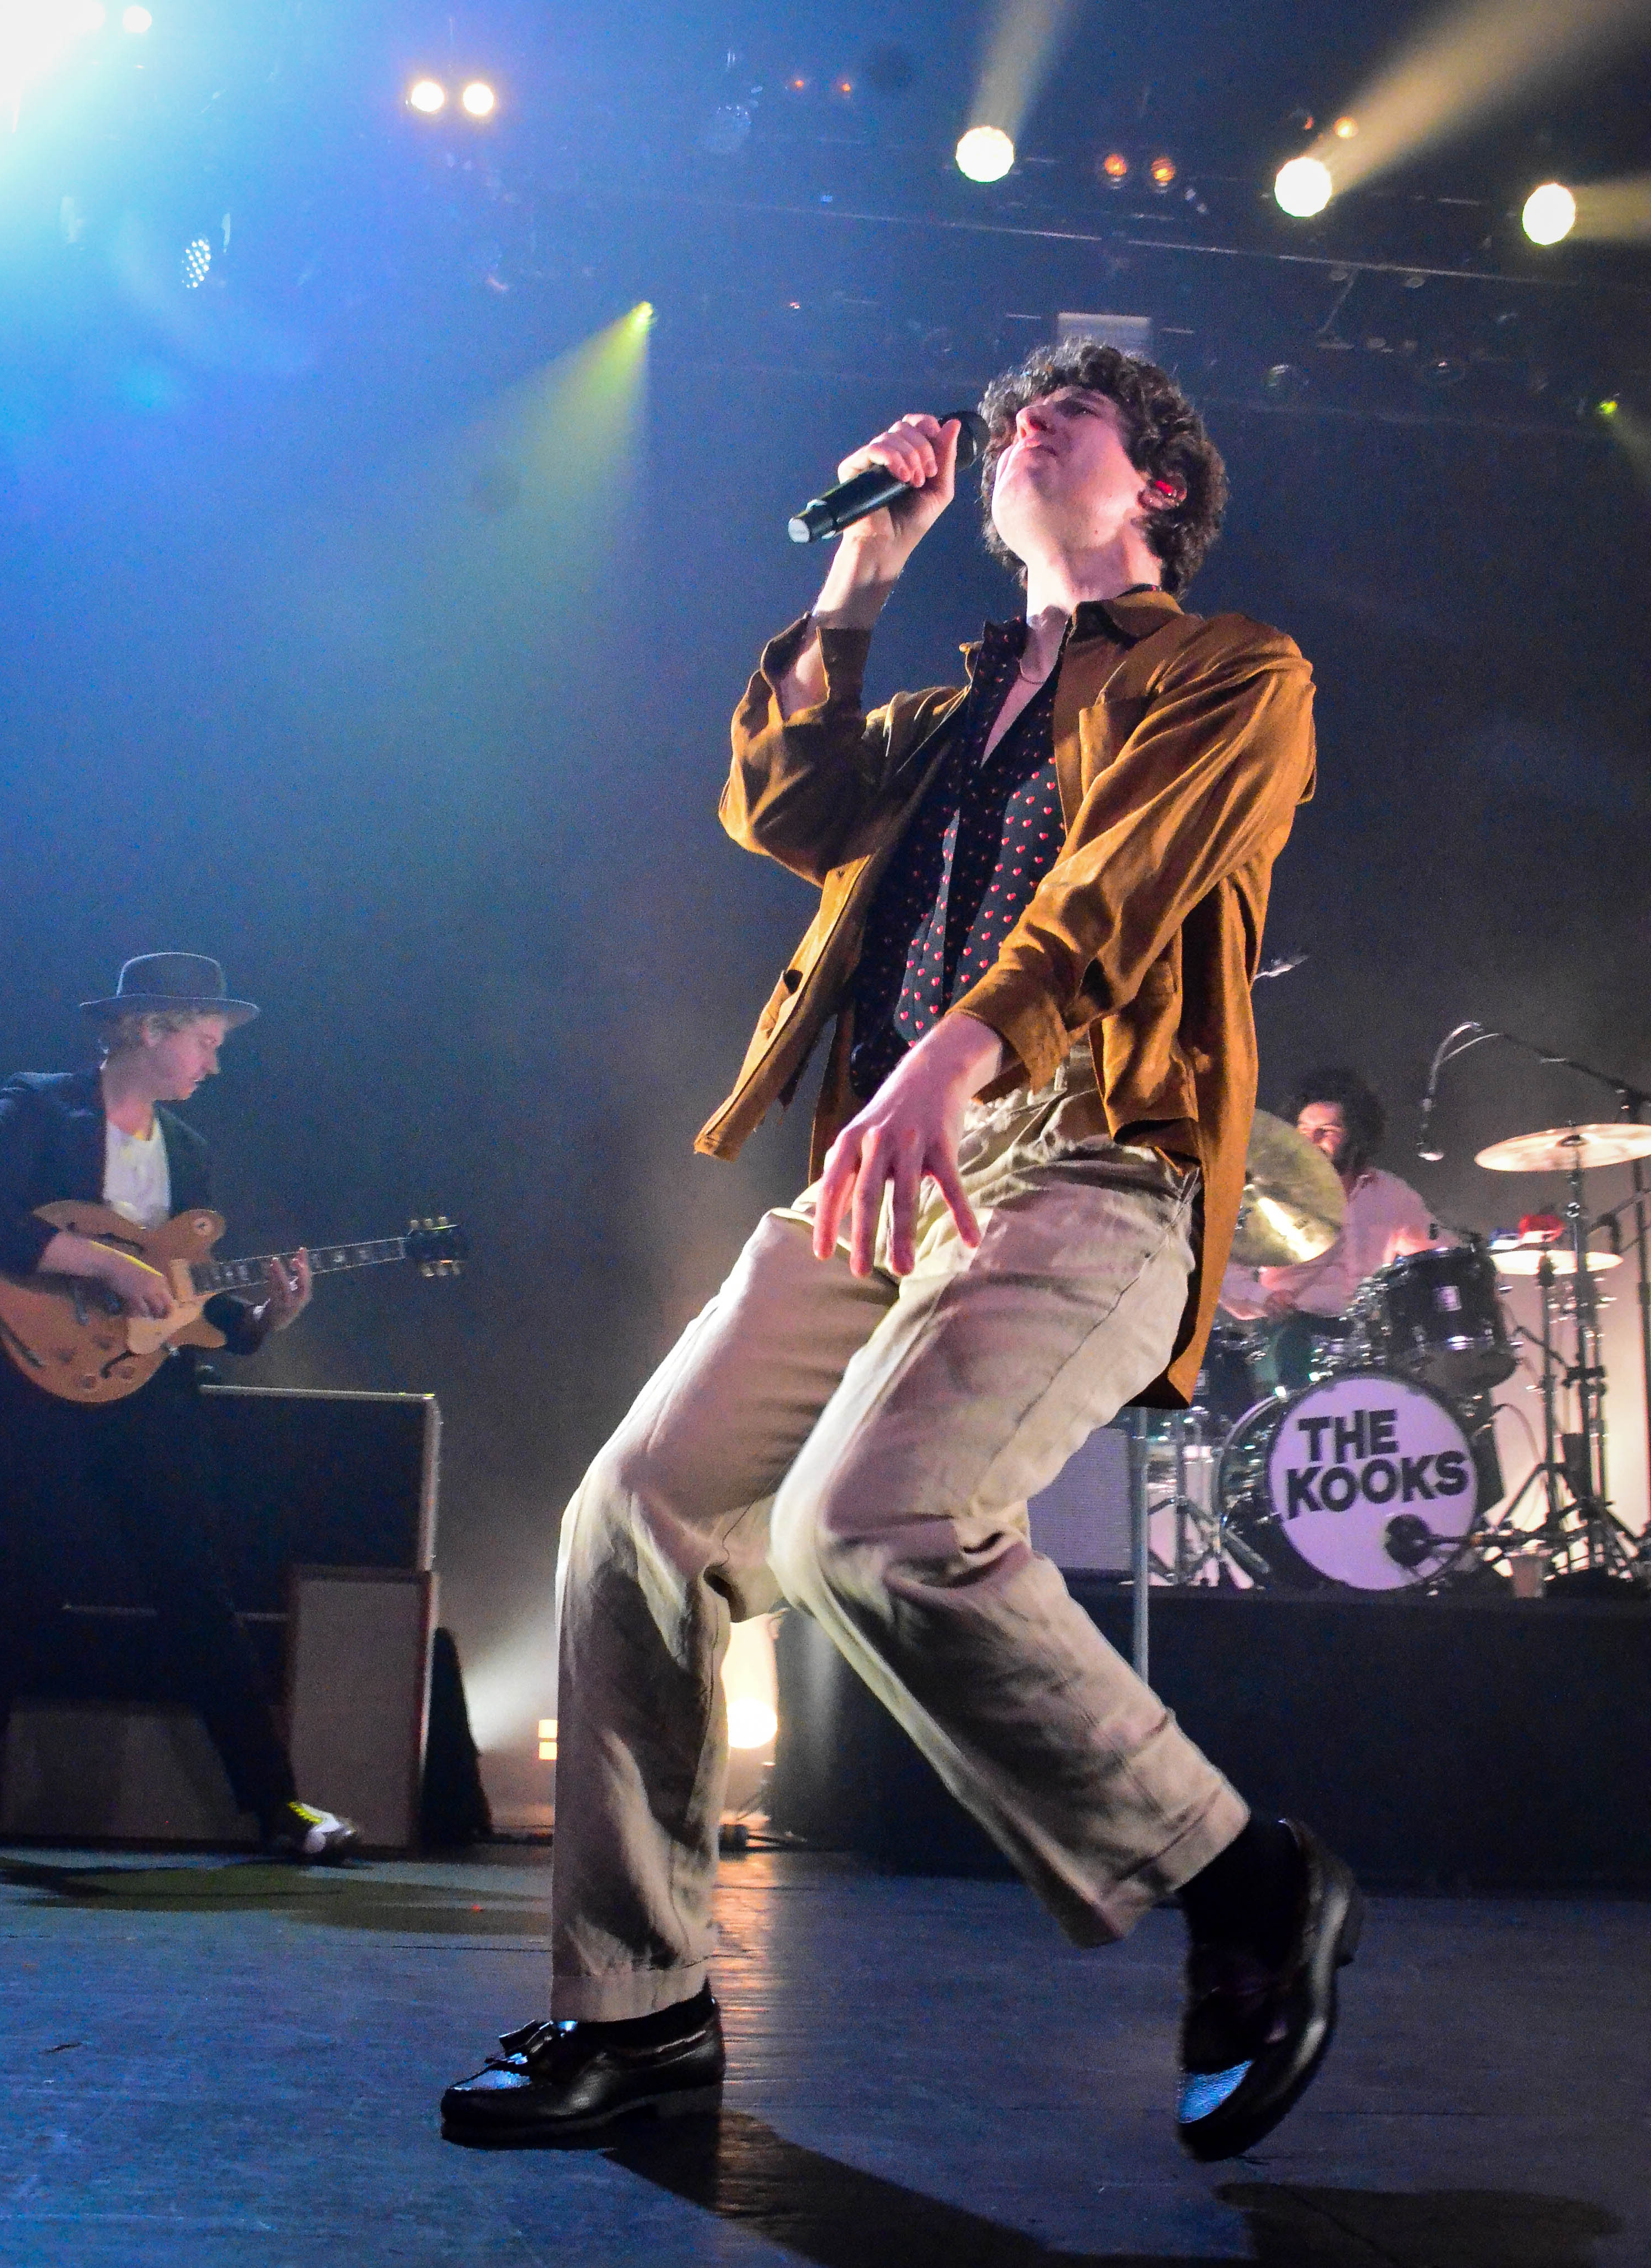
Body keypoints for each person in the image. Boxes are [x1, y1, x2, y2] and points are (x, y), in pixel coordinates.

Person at [441, 342, 1360, 2161]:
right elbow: (777, 805)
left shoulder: (1231, 670)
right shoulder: (944, 715)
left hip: (1089, 1149)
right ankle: (637, 2011)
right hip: (889, 1164)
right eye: (1014, 416)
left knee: (871, 1523)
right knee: (633, 1515)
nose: (1023, 426)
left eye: (1069, 417)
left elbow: (1117, 892)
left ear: (1158, 484)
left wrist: (954, 1055)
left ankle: (1241, 1878)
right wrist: (860, 573)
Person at [0, 953, 360, 1867]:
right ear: (149, 1029)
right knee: (32, 1588)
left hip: (145, 1393)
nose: (215, 1063)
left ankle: (276, 1806)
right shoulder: (40, 1107)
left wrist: (264, 1319)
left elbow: (184, 1298)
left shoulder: (187, 1151)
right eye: (205, 1041)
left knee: (196, 1592)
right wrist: (107, 1265)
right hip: (27, 1380)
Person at [1217, 1068, 1436, 1394]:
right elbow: (1222, 1275)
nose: (1311, 1140)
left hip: (1370, 1339)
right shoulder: (1265, 1195)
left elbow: (1437, 1256)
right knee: (1293, 1348)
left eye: (1327, 1131)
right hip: (1291, 1333)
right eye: (1304, 1130)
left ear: (1356, 1135)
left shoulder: (1390, 1193)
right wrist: (1265, 1299)